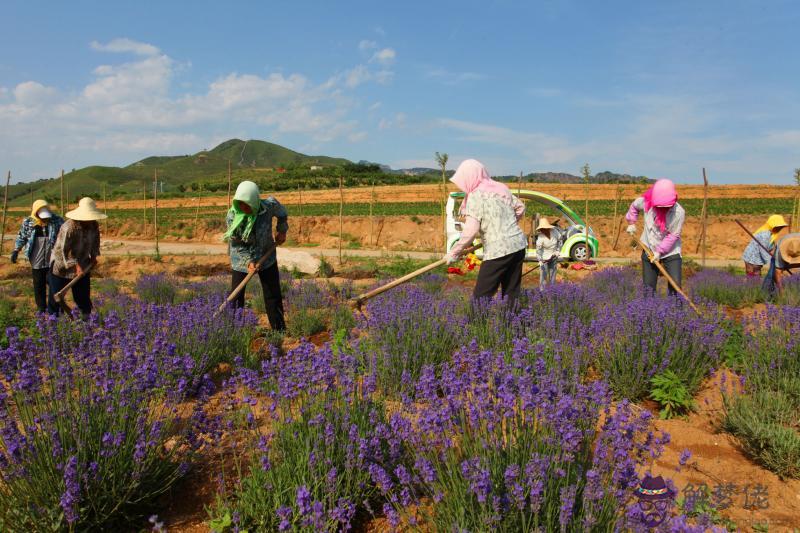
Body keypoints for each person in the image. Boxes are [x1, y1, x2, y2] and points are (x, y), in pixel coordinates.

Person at [445, 159, 527, 304]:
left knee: (481, 296)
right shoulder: (501, 188)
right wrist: (507, 225)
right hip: (518, 246)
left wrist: (454, 252)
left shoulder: (476, 196)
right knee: (510, 294)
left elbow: (471, 230)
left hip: (498, 251)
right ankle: (513, 325)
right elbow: (520, 207)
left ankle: (474, 325)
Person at [224, 181, 288, 331]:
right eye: (240, 204)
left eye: (247, 204)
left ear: (255, 201)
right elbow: (237, 245)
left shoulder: (269, 206)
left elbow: (282, 214)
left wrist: (281, 230)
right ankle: (235, 331)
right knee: (236, 296)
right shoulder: (233, 216)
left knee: (273, 294)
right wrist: (248, 261)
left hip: (267, 255)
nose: (243, 208)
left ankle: (279, 330)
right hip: (241, 258)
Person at [625, 179, 685, 296]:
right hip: (649, 248)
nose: (662, 209)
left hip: (671, 250)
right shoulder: (646, 202)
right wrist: (632, 222)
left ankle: (676, 311)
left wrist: (659, 252)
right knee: (648, 287)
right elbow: (634, 207)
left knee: (675, 285)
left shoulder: (678, 212)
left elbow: (673, 235)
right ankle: (649, 313)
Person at [50, 197, 105, 317]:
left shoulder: (94, 225)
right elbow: (61, 251)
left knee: (83, 298)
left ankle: (86, 324)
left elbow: (96, 242)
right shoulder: (69, 227)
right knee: (56, 301)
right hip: (62, 268)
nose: (89, 220)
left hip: (83, 265)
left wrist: (94, 256)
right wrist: (75, 265)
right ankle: (52, 326)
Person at [10, 200, 64, 313]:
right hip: (36, 258)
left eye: (47, 217)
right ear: (36, 213)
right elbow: (22, 236)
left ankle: (55, 309)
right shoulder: (28, 222)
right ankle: (41, 308)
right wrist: (16, 250)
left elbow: (64, 237)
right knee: (38, 284)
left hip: (53, 258)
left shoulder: (57, 221)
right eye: (43, 217)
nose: (45, 220)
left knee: (54, 284)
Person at [535, 217, 560, 289]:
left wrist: (558, 250)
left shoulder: (555, 232)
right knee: (543, 276)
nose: (543, 230)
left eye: (545, 228)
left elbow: (560, 241)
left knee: (553, 275)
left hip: (554, 256)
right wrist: (540, 260)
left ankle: (552, 291)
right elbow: (538, 250)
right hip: (544, 259)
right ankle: (542, 293)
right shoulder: (540, 237)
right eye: (542, 229)